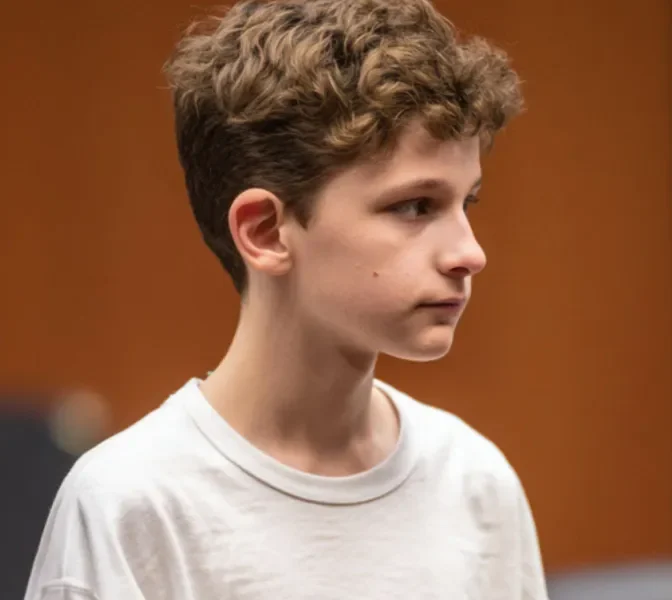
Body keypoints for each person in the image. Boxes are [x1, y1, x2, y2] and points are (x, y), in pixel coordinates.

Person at [24, 0, 549, 598]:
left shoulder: (475, 484)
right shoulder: (130, 506)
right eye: (415, 206)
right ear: (266, 232)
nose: (470, 253)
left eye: (466, 202)